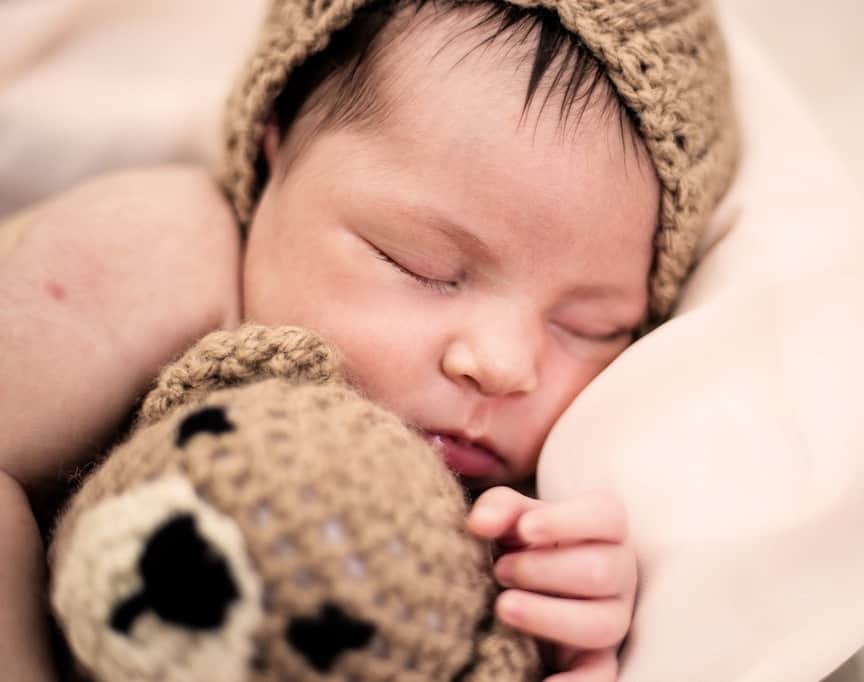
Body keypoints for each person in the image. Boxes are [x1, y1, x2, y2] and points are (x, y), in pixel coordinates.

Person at [0, 1, 739, 680]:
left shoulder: (522, 513)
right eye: (422, 265)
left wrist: (562, 621)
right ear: (271, 160)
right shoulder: (164, 257)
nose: (506, 366)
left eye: (591, 327)